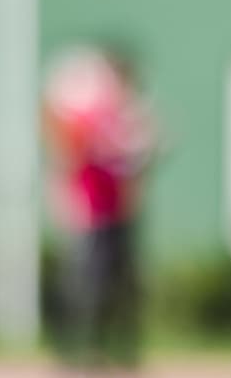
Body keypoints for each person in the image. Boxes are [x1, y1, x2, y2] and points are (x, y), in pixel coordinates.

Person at [44, 45, 157, 372]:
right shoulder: (89, 113)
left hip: (118, 209)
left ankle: (118, 352)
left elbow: (137, 157)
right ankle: (74, 353)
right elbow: (68, 152)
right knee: (84, 282)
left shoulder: (128, 113)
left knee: (120, 283)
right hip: (91, 210)